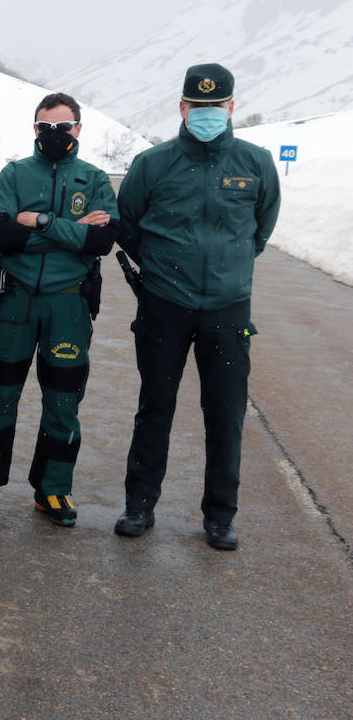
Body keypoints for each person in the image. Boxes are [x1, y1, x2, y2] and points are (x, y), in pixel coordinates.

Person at [115, 63, 280, 550]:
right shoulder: (153, 163)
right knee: (155, 408)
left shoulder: (256, 163)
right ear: (182, 108)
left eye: (216, 107)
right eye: (198, 106)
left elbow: (261, 230)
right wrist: (168, 270)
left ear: (231, 108)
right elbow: (129, 225)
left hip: (227, 310)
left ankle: (219, 515)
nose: (207, 114)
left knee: (225, 414)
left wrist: (225, 268)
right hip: (164, 304)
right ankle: (139, 506)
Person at [0, 93, 118, 527]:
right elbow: (0, 235)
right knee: (0, 397)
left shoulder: (95, 179)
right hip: (16, 302)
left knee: (64, 402)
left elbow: (103, 241)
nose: (54, 135)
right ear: (34, 129)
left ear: (78, 130)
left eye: (63, 127)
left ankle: (53, 490)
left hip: (68, 303)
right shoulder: (14, 174)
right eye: (45, 127)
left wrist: (41, 222)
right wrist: (71, 232)